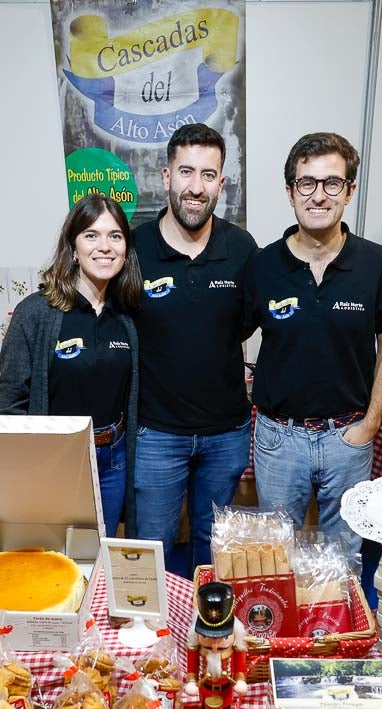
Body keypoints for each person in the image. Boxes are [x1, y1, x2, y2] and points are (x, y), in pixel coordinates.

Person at [242, 132, 382, 562]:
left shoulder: (377, 263)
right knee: (277, 560)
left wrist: (372, 423)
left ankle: (337, 631)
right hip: (279, 439)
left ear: (349, 190)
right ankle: (284, 633)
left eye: (332, 183)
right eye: (307, 183)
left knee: (342, 560)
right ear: (290, 191)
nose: (319, 195)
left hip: (348, 438)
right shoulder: (262, 265)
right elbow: (231, 338)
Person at [131, 124, 259, 573]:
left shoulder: (242, 248)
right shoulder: (133, 248)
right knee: (153, 546)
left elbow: (245, 324)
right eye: (186, 171)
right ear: (166, 176)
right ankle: (151, 639)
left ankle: (208, 633)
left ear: (221, 184)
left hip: (226, 432)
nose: (196, 186)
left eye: (209, 175)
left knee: (214, 545)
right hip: (155, 433)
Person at [0, 193, 141, 536]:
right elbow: (10, 400)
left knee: (102, 548)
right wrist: (39, 457)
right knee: (60, 554)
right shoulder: (36, 313)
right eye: (91, 235)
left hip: (114, 458)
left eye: (115, 236)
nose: (104, 246)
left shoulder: (128, 317)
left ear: (125, 249)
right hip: (59, 460)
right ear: (73, 248)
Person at [183, 581, 248, 709]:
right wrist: (193, 682)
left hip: (226, 694)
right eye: (209, 638)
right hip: (206, 692)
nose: (213, 646)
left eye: (221, 640)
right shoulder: (195, 648)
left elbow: (240, 670)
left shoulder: (236, 649)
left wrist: (241, 682)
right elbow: (192, 670)